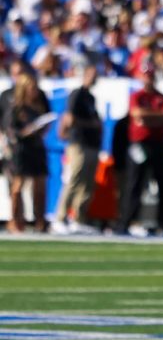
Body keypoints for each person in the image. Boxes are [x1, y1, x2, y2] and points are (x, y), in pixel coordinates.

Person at [117, 62, 163, 236]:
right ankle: (127, 222)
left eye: (151, 75)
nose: (148, 78)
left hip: (158, 144)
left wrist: (148, 117)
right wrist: (155, 117)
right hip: (140, 144)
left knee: (162, 185)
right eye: (146, 75)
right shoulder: (137, 96)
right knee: (135, 184)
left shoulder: (162, 98)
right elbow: (137, 115)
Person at [54, 62, 102, 233]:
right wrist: (91, 124)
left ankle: (78, 218)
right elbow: (70, 118)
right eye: (91, 75)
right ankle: (60, 217)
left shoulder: (91, 98)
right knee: (74, 179)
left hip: (91, 144)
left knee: (87, 183)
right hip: (79, 142)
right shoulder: (78, 94)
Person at [3, 64, 51, 233]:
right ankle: (16, 220)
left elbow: (48, 118)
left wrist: (40, 129)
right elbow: (11, 129)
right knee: (17, 186)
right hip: (21, 149)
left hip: (37, 146)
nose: (34, 92)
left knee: (40, 185)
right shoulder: (14, 106)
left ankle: (40, 221)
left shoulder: (40, 102)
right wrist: (26, 131)